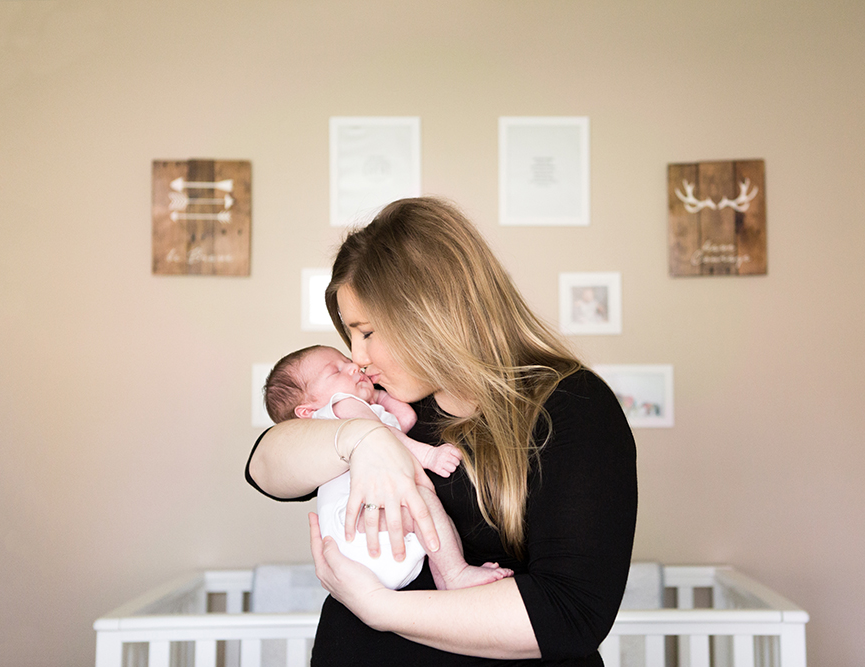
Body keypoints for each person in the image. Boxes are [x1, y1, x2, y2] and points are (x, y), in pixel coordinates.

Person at [246, 197, 637, 665]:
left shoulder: (572, 406)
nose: (357, 358)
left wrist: (380, 608)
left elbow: (568, 615)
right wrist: (362, 439)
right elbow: (264, 467)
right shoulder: (385, 405)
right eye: (350, 335)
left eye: (366, 333)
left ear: (431, 312)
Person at [262, 344, 513, 590]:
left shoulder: (361, 409)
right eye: (335, 371)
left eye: (346, 360)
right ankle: (454, 573)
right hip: (357, 525)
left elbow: (405, 419)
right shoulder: (337, 406)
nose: (353, 366)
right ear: (307, 411)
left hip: (368, 543)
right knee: (422, 504)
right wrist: (429, 456)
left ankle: (449, 578)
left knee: (431, 516)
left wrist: (378, 396)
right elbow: (383, 435)